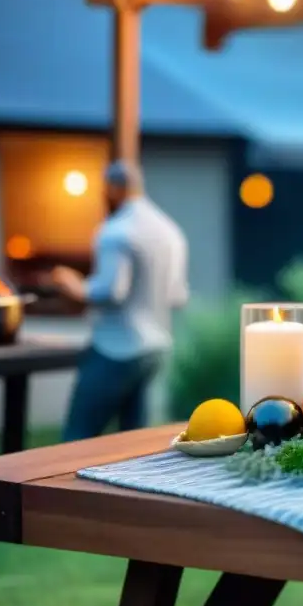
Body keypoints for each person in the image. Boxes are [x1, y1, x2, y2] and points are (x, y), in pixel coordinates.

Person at [51, 161, 189, 441]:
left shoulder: (116, 232)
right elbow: (177, 295)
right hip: (156, 347)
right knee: (137, 445)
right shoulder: (169, 230)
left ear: (113, 188)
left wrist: (73, 285)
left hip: (115, 348)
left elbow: (111, 291)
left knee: (78, 437)